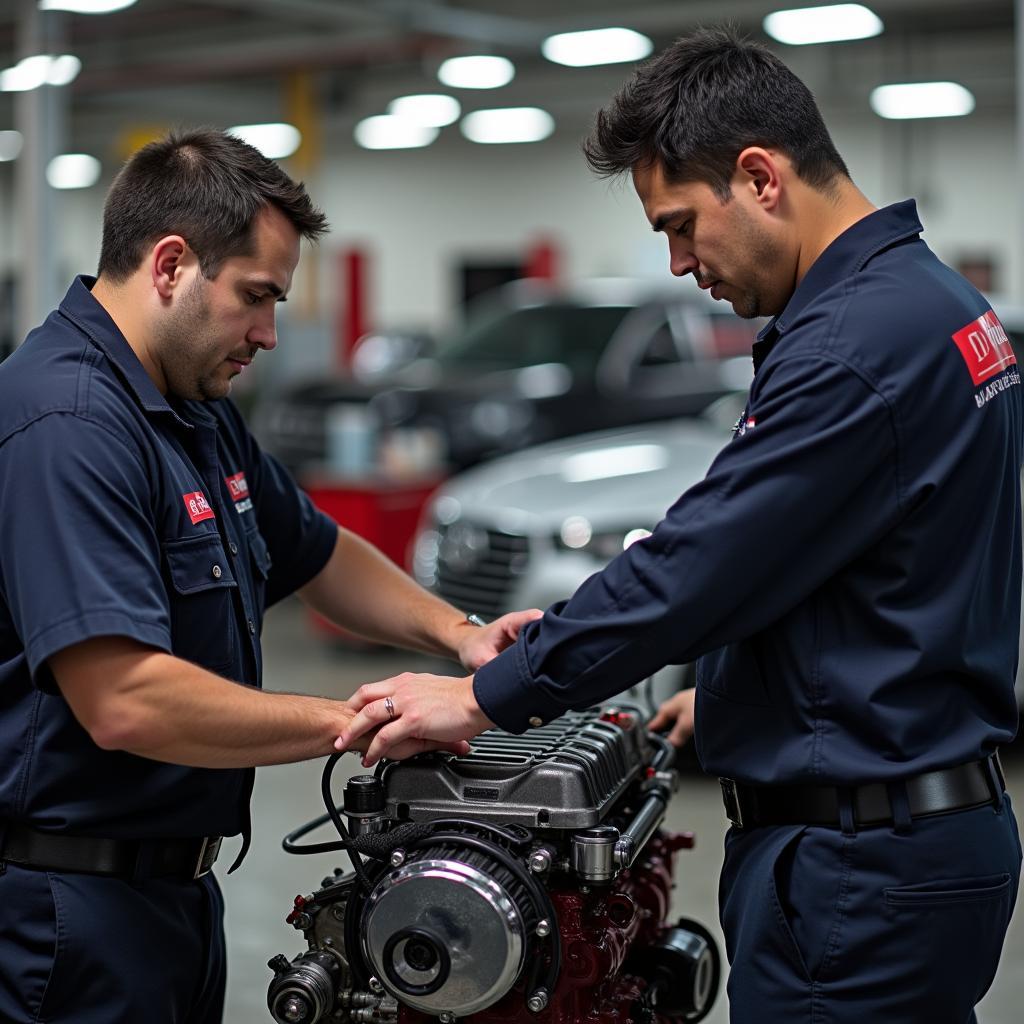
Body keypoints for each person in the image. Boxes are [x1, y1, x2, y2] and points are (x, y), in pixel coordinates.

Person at [337, 27, 1024, 1023]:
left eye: (679, 223)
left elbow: (698, 563)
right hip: (912, 822)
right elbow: (880, 559)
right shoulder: (931, 303)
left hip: (859, 867)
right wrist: (753, 692)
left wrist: (484, 697)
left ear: (759, 176)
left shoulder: (852, 344)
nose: (677, 261)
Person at [0, 127, 539, 1024]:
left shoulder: (192, 404)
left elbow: (318, 551)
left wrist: (459, 634)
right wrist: (356, 719)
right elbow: (124, 698)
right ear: (170, 264)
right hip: (70, 916)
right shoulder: (70, 423)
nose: (270, 334)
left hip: (175, 896)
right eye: (256, 297)